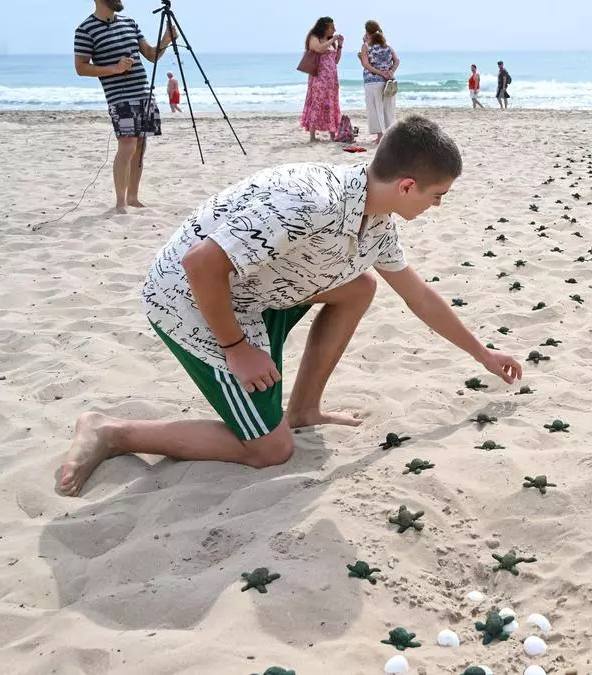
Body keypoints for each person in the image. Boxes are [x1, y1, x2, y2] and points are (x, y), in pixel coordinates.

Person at [57, 115, 524, 497]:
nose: (438, 206)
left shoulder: (376, 218)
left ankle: (305, 408)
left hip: (255, 292)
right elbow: (200, 264)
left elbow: (418, 295)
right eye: (437, 196)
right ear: (406, 186)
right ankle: (112, 431)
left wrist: (484, 355)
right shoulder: (311, 201)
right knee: (268, 451)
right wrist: (238, 348)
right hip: (192, 300)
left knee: (359, 286)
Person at [74, 0, 177, 214]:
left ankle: (133, 197)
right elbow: (81, 68)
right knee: (127, 144)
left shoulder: (130, 22)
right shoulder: (85, 29)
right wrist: (115, 68)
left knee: (140, 148)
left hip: (143, 92)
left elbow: (151, 54)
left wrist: (166, 40)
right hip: (120, 97)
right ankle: (120, 202)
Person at [300, 17, 344, 143]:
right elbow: (318, 48)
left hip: (331, 78)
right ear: (324, 28)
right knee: (317, 103)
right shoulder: (314, 37)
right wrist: (334, 39)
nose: (334, 30)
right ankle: (313, 136)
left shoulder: (331, 41)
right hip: (319, 77)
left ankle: (332, 134)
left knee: (332, 104)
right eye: (331, 27)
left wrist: (339, 46)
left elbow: (335, 61)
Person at [360, 20, 399, 144]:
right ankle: (389, 136)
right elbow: (397, 60)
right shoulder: (387, 46)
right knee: (388, 108)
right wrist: (390, 72)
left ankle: (380, 137)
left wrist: (379, 72)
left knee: (374, 109)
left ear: (367, 32)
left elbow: (366, 64)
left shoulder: (366, 46)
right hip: (388, 81)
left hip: (372, 82)